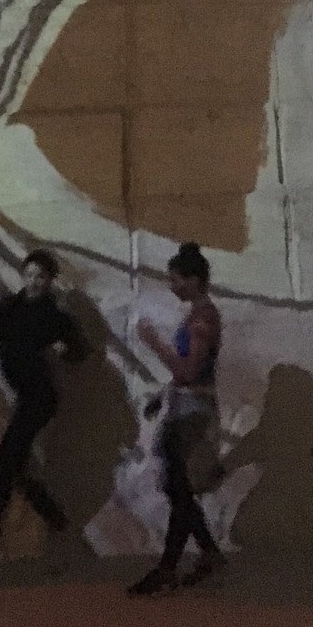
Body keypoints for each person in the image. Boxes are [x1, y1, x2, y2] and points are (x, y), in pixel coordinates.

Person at [0, 247, 87, 538]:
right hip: (26, 396)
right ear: (23, 276)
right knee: (16, 466)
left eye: (40, 276)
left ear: (50, 280)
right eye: (29, 275)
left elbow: (80, 349)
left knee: (5, 461)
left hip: (40, 398)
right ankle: (55, 519)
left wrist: (66, 348)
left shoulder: (52, 315)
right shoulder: (10, 307)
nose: (33, 281)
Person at [129, 241, 226, 595]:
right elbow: (188, 374)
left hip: (191, 414)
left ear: (194, 280)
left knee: (178, 487)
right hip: (188, 409)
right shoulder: (201, 315)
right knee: (178, 487)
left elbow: (188, 371)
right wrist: (163, 394)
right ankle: (208, 554)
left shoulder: (201, 320)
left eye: (176, 280)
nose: (172, 287)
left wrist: (153, 342)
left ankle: (170, 566)